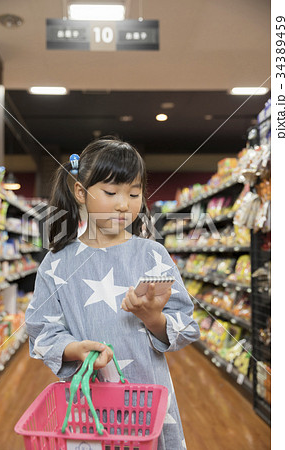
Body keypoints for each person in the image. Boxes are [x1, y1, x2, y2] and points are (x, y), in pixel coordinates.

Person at [25, 137, 200, 450]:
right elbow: (41, 332)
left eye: (134, 193)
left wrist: (152, 316)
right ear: (81, 191)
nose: (124, 203)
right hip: (88, 404)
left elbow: (185, 324)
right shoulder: (57, 263)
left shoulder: (152, 255)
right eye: (111, 192)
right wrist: (76, 349)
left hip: (148, 398)